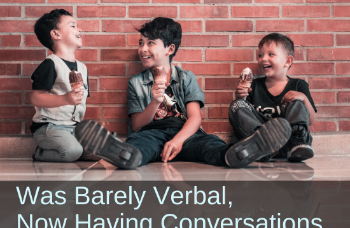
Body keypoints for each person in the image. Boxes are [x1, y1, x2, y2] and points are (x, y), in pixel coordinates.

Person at [75, 18, 292, 169]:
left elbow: (195, 118)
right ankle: (124, 155)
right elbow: (139, 125)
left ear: (169, 49)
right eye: (141, 43)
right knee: (140, 146)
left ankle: (238, 153)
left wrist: (178, 140)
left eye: (150, 43)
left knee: (210, 145)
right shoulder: (137, 83)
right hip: (152, 132)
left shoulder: (186, 77)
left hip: (187, 132)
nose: (143, 49)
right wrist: (154, 101)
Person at [229, 33, 317, 162]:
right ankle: (259, 143)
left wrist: (303, 97)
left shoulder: (298, 85)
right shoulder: (255, 85)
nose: (263, 58)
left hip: (288, 142)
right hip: (263, 144)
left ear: (287, 61)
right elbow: (243, 116)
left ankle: (297, 143)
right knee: (236, 105)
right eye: (260, 55)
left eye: (271, 54)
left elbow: (311, 120)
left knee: (297, 102)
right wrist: (240, 98)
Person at [31, 9, 95, 162]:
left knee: (97, 153)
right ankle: (40, 153)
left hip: (74, 128)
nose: (79, 29)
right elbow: (36, 98)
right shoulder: (50, 64)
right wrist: (66, 99)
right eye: (73, 26)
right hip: (50, 127)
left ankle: (76, 150)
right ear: (56, 34)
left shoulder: (82, 68)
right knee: (72, 152)